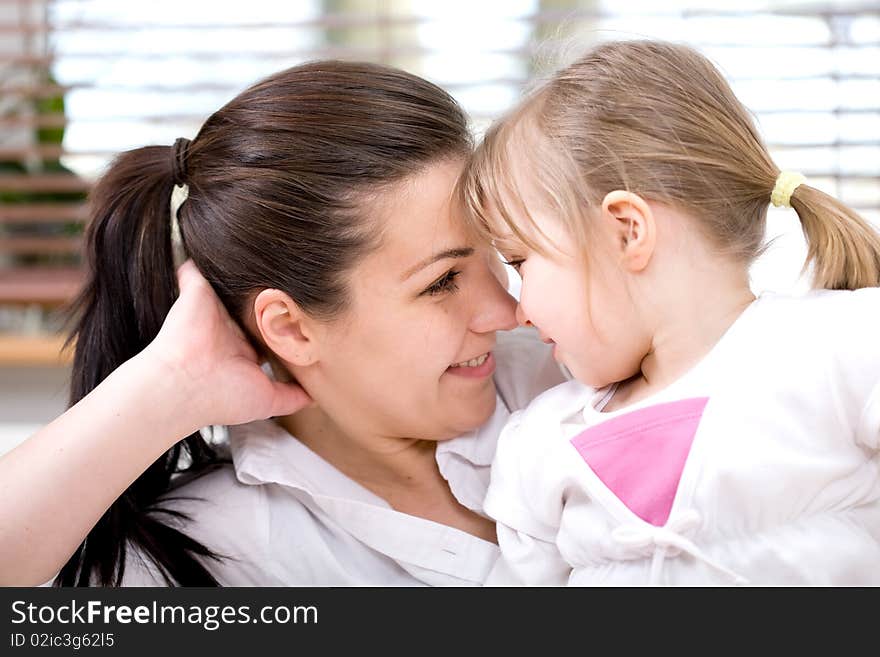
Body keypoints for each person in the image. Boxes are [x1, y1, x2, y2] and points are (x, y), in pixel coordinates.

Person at [0, 61, 566, 587]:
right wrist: (166, 386)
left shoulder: (569, 372)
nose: (509, 310)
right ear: (292, 330)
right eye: (442, 282)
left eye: (497, 255)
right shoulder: (204, 554)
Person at [459, 39, 880, 586]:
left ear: (627, 231)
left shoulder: (841, 349)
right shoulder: (539, 443)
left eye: (520, 261)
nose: (516, 309)